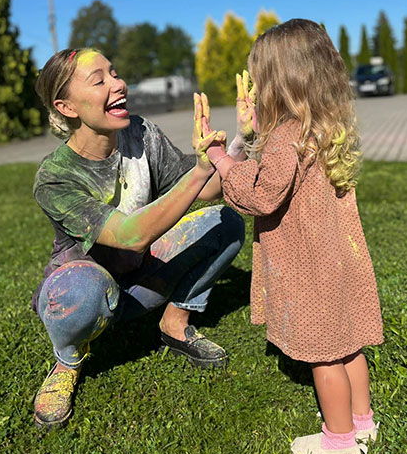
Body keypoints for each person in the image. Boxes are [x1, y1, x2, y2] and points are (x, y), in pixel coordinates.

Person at [31, 47, 246, 431]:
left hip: (142, 281)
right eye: (99, 80)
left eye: (114, 73)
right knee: (81, 288)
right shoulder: (55, 177)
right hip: (86, 293)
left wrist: (240, 142)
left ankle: (174, 323)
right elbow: (131, 235)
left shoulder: (142, 133)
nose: (119, 84)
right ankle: (67, 361)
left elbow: (209, 191)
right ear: (66, 107)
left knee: (225, 223)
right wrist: (198, 173)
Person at [203, 19, 383, 454]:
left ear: (279, 82)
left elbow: (262, 194)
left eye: (260, 79)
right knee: (349, 342)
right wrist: (256, 131)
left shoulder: (287, 136)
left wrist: (221, 160)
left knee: (325, 354)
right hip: (337, 258)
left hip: (310, 264)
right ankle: (363, 421)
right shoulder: (323, 124)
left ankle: (339, 441)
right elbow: (283, 174)